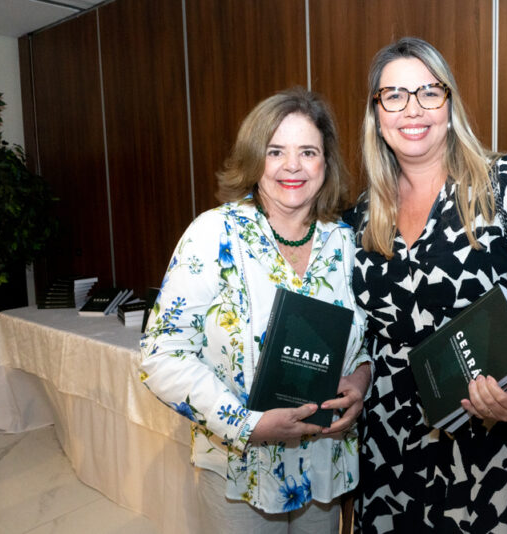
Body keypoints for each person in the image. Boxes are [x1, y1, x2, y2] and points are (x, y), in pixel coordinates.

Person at [346, 37, 507, 532]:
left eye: (428, 92)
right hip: (392, 460)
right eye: (393, 95)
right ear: (377, 114)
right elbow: (364, 336)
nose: (411, 109)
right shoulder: (360, 215)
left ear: (449, 102)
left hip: (497, 454)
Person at [139, 87, 371, 534]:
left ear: (327, 162)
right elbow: (160, 355)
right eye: (275, 151)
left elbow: (365, 342)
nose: (293, 166)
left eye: (308, 151)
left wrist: (360, 380)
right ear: (253, 158)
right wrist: (246, 425)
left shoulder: (346, 242)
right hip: (239, 469)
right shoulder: (213, 234)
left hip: (325, 460)